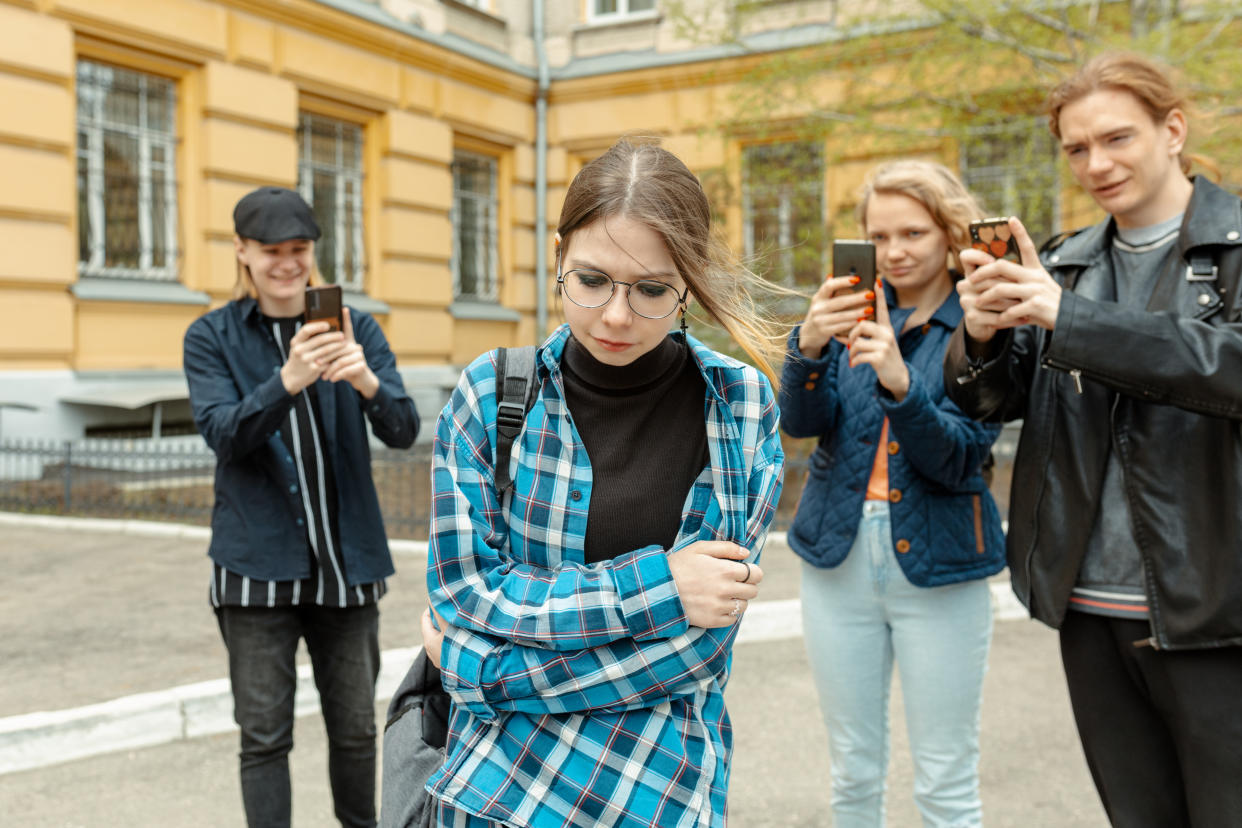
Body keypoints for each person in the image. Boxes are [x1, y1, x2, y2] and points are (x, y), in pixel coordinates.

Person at [418, 139, 786, 828]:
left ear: (689, 281)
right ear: (558, 255)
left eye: (650, 290)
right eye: (590, 281)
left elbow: (695, 651)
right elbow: (466, 596)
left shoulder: (738, 407)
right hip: (496, 799)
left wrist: (482, 675)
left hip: (653, 795)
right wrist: (660, 587)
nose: (617, 316)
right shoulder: (491, 394)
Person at [944, 53, 1242, 826]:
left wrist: (1065, 318)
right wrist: (978, 335)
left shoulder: (1236, 252)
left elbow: (1228, 368)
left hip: (1215, 608)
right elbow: (988, 401)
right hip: (1087, 607)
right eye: (1076, 148)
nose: (1096, 164)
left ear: (1171, 130)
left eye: (1117, 138)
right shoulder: (1067, 263)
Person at [183, 186, 419, 828]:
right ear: (242, 252)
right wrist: (286, 380)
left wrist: (365, 380)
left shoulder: (358, 327)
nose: (287, 264)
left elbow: (402, 428)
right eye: (271, 251)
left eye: (299, 250)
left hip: (347, 567)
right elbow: (224, 434)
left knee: (357, 732)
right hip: (253, 570)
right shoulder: (211, 336)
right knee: (263, 740)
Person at [781, 160, 1006, 827]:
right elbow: (801, 425)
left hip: (941, 566)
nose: (895, 251)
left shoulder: (983, 324)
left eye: (913, 232)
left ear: (948, 234)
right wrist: (810, 345)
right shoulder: (853, 313)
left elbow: (961, 456)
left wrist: (901, 384)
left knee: (944, 780)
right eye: (879, 237)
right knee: (852, 772)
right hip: (838, 558)